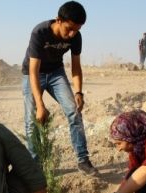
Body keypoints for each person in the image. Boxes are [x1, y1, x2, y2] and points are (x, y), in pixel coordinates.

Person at [22, 1, 98, 176]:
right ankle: (36, 166)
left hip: (56, 73)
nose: (72, 34)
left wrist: (79, 92)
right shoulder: (40, 32)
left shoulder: (76, 37)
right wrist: (40, 106)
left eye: (77, 30)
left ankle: (83, 160)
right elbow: (33, 71)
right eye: (69, 28)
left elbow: (76, 67)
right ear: (58, 20)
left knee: (74, 111)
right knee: (32, 120)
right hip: (33, 74)